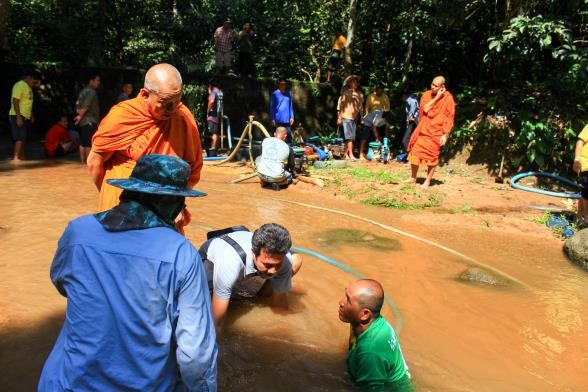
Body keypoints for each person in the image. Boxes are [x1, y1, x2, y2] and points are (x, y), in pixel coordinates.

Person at [38, 154, 218, 391]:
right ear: (170, 202)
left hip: (63, 383)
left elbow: (62, 283)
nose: (182, 208)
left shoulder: (78, 231)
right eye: (180, 200)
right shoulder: (181, 253)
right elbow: (196, 355)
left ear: (128, 191)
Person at [87, 63, 203, 222]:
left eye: (177, 101)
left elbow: (192, 167)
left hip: (164, 208)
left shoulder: (183, 118)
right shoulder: (123, 116)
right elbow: (95, 162)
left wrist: (175, 203)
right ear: (145, 94)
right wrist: (110, 193)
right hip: (120, 202)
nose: (172, 108)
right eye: (165, 102)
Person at [199, 223, 303, 336]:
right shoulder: (229, 263)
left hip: (242, 245)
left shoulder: (285, 261)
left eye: (277, 265)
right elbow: (216, 323)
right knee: (203, 306)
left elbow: (280, 305)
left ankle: (261, 293)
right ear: (253, 254)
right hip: (212, 259)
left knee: (295, 260)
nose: (273, 271)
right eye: (268, 265)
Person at [338, 279, 413, 391]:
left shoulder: (370, 351)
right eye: (345, 295)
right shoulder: (366, 322)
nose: (341, 302)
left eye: (348, 300)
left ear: (365, 314)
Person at [406, 76, 455, 188]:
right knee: (415, 152)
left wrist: (445, 134)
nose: (432, 87)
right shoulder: (426, 95)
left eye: (436, 86)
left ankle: (427, 181)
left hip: (436, 131)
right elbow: (425, 109)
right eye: (432, 84)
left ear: (442, 87)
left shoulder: (448, 98)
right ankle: (413, 178)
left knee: (432, 156)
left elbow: (450, 117)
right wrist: (437, 97)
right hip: (424, 128)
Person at [8, 70, 41, 161]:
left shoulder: (29, 88)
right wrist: (18, 116)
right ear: (29, 78)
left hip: (25, 116)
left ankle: (21, 156)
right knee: (20, 136)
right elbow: (15, 101)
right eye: (34, 82)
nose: (35, 84)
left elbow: (28, 103)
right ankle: (16, 157)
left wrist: (31, 115)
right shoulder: (20, 85)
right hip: (18, 115)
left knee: (24, 137)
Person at [256, 126, 296, 190]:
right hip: (277, 177)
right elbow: (291, 166)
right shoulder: (288, 148)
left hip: (261, 174)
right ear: (285, 136)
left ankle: (263, 181)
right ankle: (278, 184)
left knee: (258, 158)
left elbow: (261, 154)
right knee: (290, 176)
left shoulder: (265, 140)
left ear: (275, 134)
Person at [74, 73, 101, 164]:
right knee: (88, 143)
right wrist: (80, 116)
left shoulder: (83, 91)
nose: (98, 82)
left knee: (83, 142)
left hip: (84, 121)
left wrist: (79, 115)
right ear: (91, 81)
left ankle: (83, 163)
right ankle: (87, 165)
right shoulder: (91, 92)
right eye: (97, 80)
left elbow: (78, 106)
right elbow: (86, 106)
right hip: (90, 120)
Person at [360, 85, 390, 160]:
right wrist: (377, 137)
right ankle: (361, 154)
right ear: (375, 90)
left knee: (382, 135)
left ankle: (382, 152)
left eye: (381, 91)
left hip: (379, 119)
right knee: (365, 136)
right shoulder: (370, 97)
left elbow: (387, 110)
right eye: (378, 91)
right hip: (369, 119)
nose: (380, 93)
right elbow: (367, 108)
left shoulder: (385, 97)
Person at [337, 75, 364, 161]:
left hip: (354, 118)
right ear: (349, 83)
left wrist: (362, 118)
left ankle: (345, 154)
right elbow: (342, 106)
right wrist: (339, 117)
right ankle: (351, 155)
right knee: (350, 137)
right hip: (346, 116)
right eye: (353, 82)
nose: (355, 83)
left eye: (356, 82)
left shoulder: (360, 94)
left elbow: (361, 107)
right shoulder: (346, 93)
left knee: (351, 137)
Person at [269, 77, 295, 144]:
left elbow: (290, 106)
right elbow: (272, 107)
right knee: (278, 137)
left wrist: (292, 117)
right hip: (278, 119)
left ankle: (289, 151)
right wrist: (272, 118)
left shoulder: (289, 94)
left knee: (288, 137)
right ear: (279, 84)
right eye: (281, 84)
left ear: (286, 84)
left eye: (284, 84)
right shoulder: (275, 94)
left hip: (287, 119)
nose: (283, 85)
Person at [572, 123, 588, 227]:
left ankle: (579, 215)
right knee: (587, 191)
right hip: (586, 163)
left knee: (585, 192)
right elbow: (580, 141)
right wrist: (577, 159)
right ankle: (586, 217)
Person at [206, 78, 224, 155]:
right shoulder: (220, 92)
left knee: (214, 133)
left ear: (211, 85)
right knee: (216, 132)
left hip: (213, 115)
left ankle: (212, 150)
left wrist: (208, 110)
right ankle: (215, 148)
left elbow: (212, 101)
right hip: (218, 114)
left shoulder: (213, 92)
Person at [401, 91, 419, 158]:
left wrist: (411, 115)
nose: (402, 99)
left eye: (402, 97)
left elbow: (413, 104)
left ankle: (410, 156)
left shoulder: (410, 99)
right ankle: (410, 156)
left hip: (414, 121)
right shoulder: (410, 100)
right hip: (413, 122)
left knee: (405, 140)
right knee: (409, 140)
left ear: (404, 96)